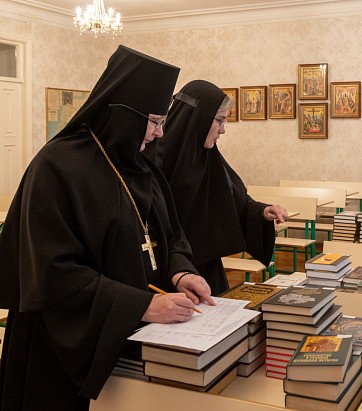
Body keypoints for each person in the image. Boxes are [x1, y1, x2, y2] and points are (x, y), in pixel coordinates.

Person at [0, 45, 215, 410]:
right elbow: (52, 273)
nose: (160, 133)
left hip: (132, 337)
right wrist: (141, 306)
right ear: (124, 114)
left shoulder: (140, 165)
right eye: (154, 121)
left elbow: (168, 235)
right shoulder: (56, 167)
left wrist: (180, 272)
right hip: (60, 347)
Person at [144, 80, 288, 296]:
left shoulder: (209, 156)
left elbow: (232, 199)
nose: (223, 130)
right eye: (219, 120)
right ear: (199, 119)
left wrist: (262, 211)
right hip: (167, 269)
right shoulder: (154, 157)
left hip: (206, 263)